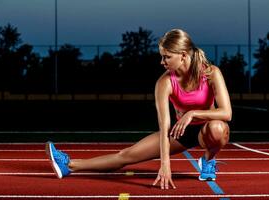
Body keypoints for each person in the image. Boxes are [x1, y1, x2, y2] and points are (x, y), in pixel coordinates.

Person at [46, 29, 231, 190]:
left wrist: (192, 113)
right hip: (179, 132)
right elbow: (164, 126)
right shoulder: (164, 82)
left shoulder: (211, 73)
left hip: (207, 129)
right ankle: (69, 166)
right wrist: (165, 164)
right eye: (162, 56)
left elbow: (226, 113)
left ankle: (207, 160)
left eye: (167, 57)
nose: (162, 62)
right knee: (126, 155)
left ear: (183, 55)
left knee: (218, 128)